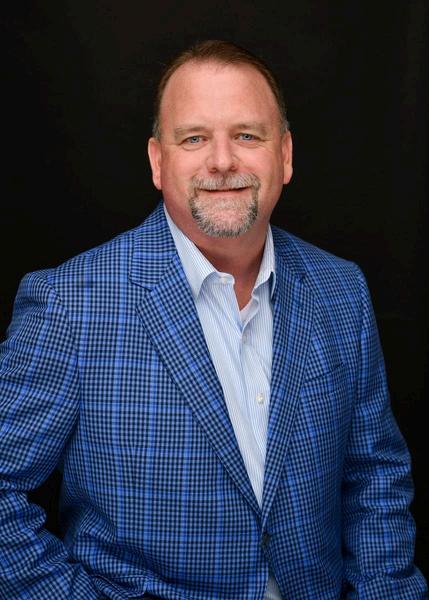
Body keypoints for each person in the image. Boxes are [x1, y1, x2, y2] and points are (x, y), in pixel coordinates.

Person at [0, 39, 427, 600]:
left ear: (285, 155)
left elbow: (374, 477)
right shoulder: (70, 302)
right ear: (158, 162)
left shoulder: (341, 290)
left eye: (247, 135)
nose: (222, 161)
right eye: (194, 138)